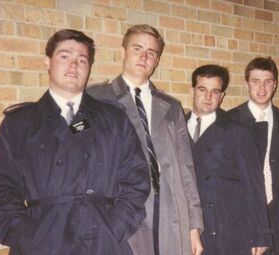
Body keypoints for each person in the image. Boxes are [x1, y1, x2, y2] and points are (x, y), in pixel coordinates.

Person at [0, 29, 150, 255]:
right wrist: (26, 236)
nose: (74, 65)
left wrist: (114, 228)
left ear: (89, 68)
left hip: (103, 243)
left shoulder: (113, 120)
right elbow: (0, 189)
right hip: (41, 244)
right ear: (47, 62)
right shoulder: (20, 123)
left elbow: (136, 182)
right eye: (65, 57)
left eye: (82, 60)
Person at [87, 24, 204, 255]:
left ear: (157, 60)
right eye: (137, 48)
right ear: (123, 52)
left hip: (169, 209)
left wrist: (194, 227)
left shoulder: (171, 106)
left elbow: (186, 169)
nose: (144, 57)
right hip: (121, 209)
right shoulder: (95, 98)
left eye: (151, 52)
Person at [186, 64, 271, 255]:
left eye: (215, 91)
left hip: (228, 228)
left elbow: (254, 183)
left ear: (221, 96)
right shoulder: (177, 128)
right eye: (202, 89)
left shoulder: (236, 130)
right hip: (190, 229)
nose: (208, 97)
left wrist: (260, 233)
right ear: (192, 90)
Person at [229, 57, 279, 255]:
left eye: (268, 81)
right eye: (255, 81)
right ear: (247, 84)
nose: (262, 88)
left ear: (275, 84)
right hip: (247, 216)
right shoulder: (230, 120)